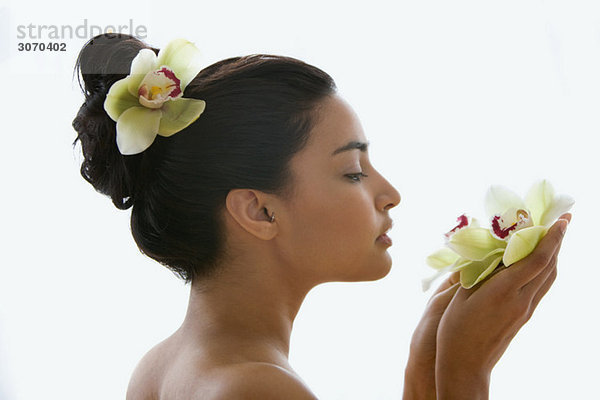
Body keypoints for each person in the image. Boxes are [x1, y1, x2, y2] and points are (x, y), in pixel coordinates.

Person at [72, 33, 571, 400]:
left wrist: (426, 365)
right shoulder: (255, 388)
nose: (391, 194)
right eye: (353, 172)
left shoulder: (162, 366)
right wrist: (466, 373)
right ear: (260, 210)